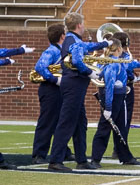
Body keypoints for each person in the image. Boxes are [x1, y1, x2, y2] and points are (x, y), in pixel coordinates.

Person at [47, 13, 110, 172]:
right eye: (83, 23)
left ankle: (81, 159)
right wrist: (90, 72)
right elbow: (76, 60)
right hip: (74, 83)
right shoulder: (73, 40)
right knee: (67, 122)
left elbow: (86, 47)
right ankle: (55, 160)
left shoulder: (73, 39)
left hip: (76, 85)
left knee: (80, 123)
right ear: (79, 25)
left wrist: (103, 43)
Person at [89, 33, 140, 166]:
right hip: (111, 98)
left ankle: (125, 156)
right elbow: (108, 87)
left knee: (121, 127)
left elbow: (129, 69)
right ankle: (95, 158)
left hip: (120, 97)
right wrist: (108, 107)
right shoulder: (110, 63)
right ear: (119, 49)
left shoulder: (119, 62)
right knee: (105, 127)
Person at [32, 25, 65, 163]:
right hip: (50, 89)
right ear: (62, 36)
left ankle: (64, 151)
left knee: (60, 122)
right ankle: (39, 154)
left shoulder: (61, 50)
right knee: (47, 121)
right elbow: (40, 66)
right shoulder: (52, 51)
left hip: (59, 89)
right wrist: (54, 79)